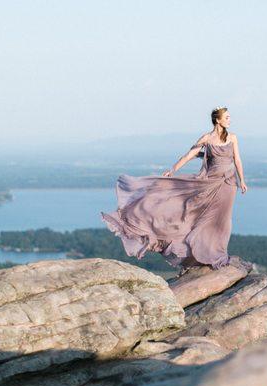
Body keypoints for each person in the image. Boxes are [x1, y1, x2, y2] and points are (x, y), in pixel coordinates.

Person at [100, 106, 247, 273]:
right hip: (208, 183)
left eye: (229, 117)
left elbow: (238, 160)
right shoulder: (206, 138)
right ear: (218, 120)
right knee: (202, 219)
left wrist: (242, 180)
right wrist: (173, 169)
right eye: (226, 117)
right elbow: (188, 155)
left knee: (222, 221)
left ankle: (218, 253)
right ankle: (206, 254)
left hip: (228, 184)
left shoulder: (233, 137)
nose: (230, 120)